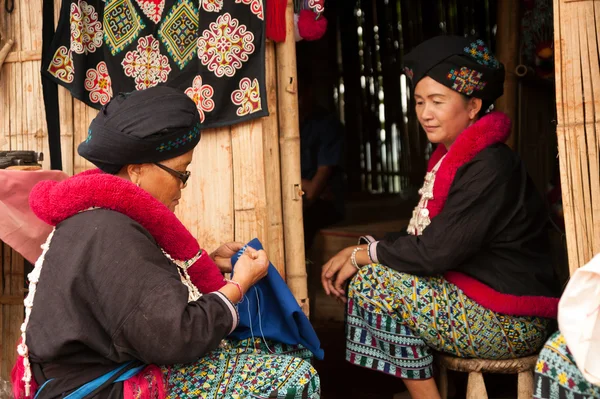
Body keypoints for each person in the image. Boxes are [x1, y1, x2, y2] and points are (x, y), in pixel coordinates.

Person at [11, 86, 320, 399]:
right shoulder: (113, 232)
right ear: (138, 170)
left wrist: (207, 266)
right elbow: (176, 338)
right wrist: (238, 285)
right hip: (99, 390)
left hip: (92, 375)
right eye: (181, 173)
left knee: (270, 350)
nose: (182, 187)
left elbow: (134, 300)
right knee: (292, 376)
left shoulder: (100, 219)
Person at [320, 35, 561, 399]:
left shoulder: (491, 164)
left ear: (473, 106)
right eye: (419, 102)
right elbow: (425, 237)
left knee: (374, 286)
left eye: (437, 101)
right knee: (371, 277)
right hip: (481, 303)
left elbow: (436, 251)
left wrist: (362, 256)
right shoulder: (455, 159)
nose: (425, 113)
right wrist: (369, 249)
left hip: (512, 320)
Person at [299, 82, 345, 250]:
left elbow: (312, 192)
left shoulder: (327, 125)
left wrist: (290, 181)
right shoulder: (285, 125)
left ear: (308, 93)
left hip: (324, 204)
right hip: (303, 197)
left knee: (301, 221)